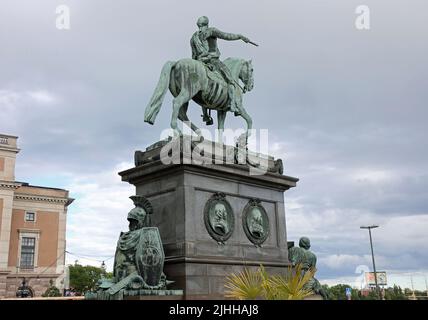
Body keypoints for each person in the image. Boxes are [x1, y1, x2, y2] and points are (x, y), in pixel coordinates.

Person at [190, 16, 251, 123]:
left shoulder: (193, 37)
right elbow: (227, 36)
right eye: (200, 26)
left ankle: (205, 115)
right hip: (213, 61)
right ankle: (233, 105)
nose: (200, 29)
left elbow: (193, 55)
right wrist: (240, 36)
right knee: (230, 80)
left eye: (201, 26)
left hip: (199, 62)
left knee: (201, 85)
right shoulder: (211, 31)